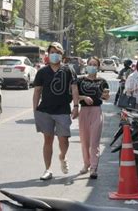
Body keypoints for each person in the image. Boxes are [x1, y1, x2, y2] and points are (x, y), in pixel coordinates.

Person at [33, 42, 79, 180]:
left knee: (63, 139)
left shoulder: (69, 70)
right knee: (48, 139)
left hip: (63, 110)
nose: (55, 54)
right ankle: (47, 169)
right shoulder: (42, 72)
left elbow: (75, 89)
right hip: (45, 110)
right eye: (52, 52)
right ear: (48, 54)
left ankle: (62, 156)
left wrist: (76, 106)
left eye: (57, 52)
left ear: (62, 54)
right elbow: (37, 92)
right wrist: (35, 110)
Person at [77, 57, 110, 179]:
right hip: (84, 111)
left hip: (97, 111)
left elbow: (106, 97)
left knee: (94, 142)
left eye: (94, 64)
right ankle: (86, 164)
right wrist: (83, 98)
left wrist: (106, 96)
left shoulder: (102, 81)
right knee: (85, 141)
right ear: (87, 65)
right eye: (90, 64)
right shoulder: (80, 80)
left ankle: (94, 168)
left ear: (98, 67)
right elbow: (73, 95)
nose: (92, 66)